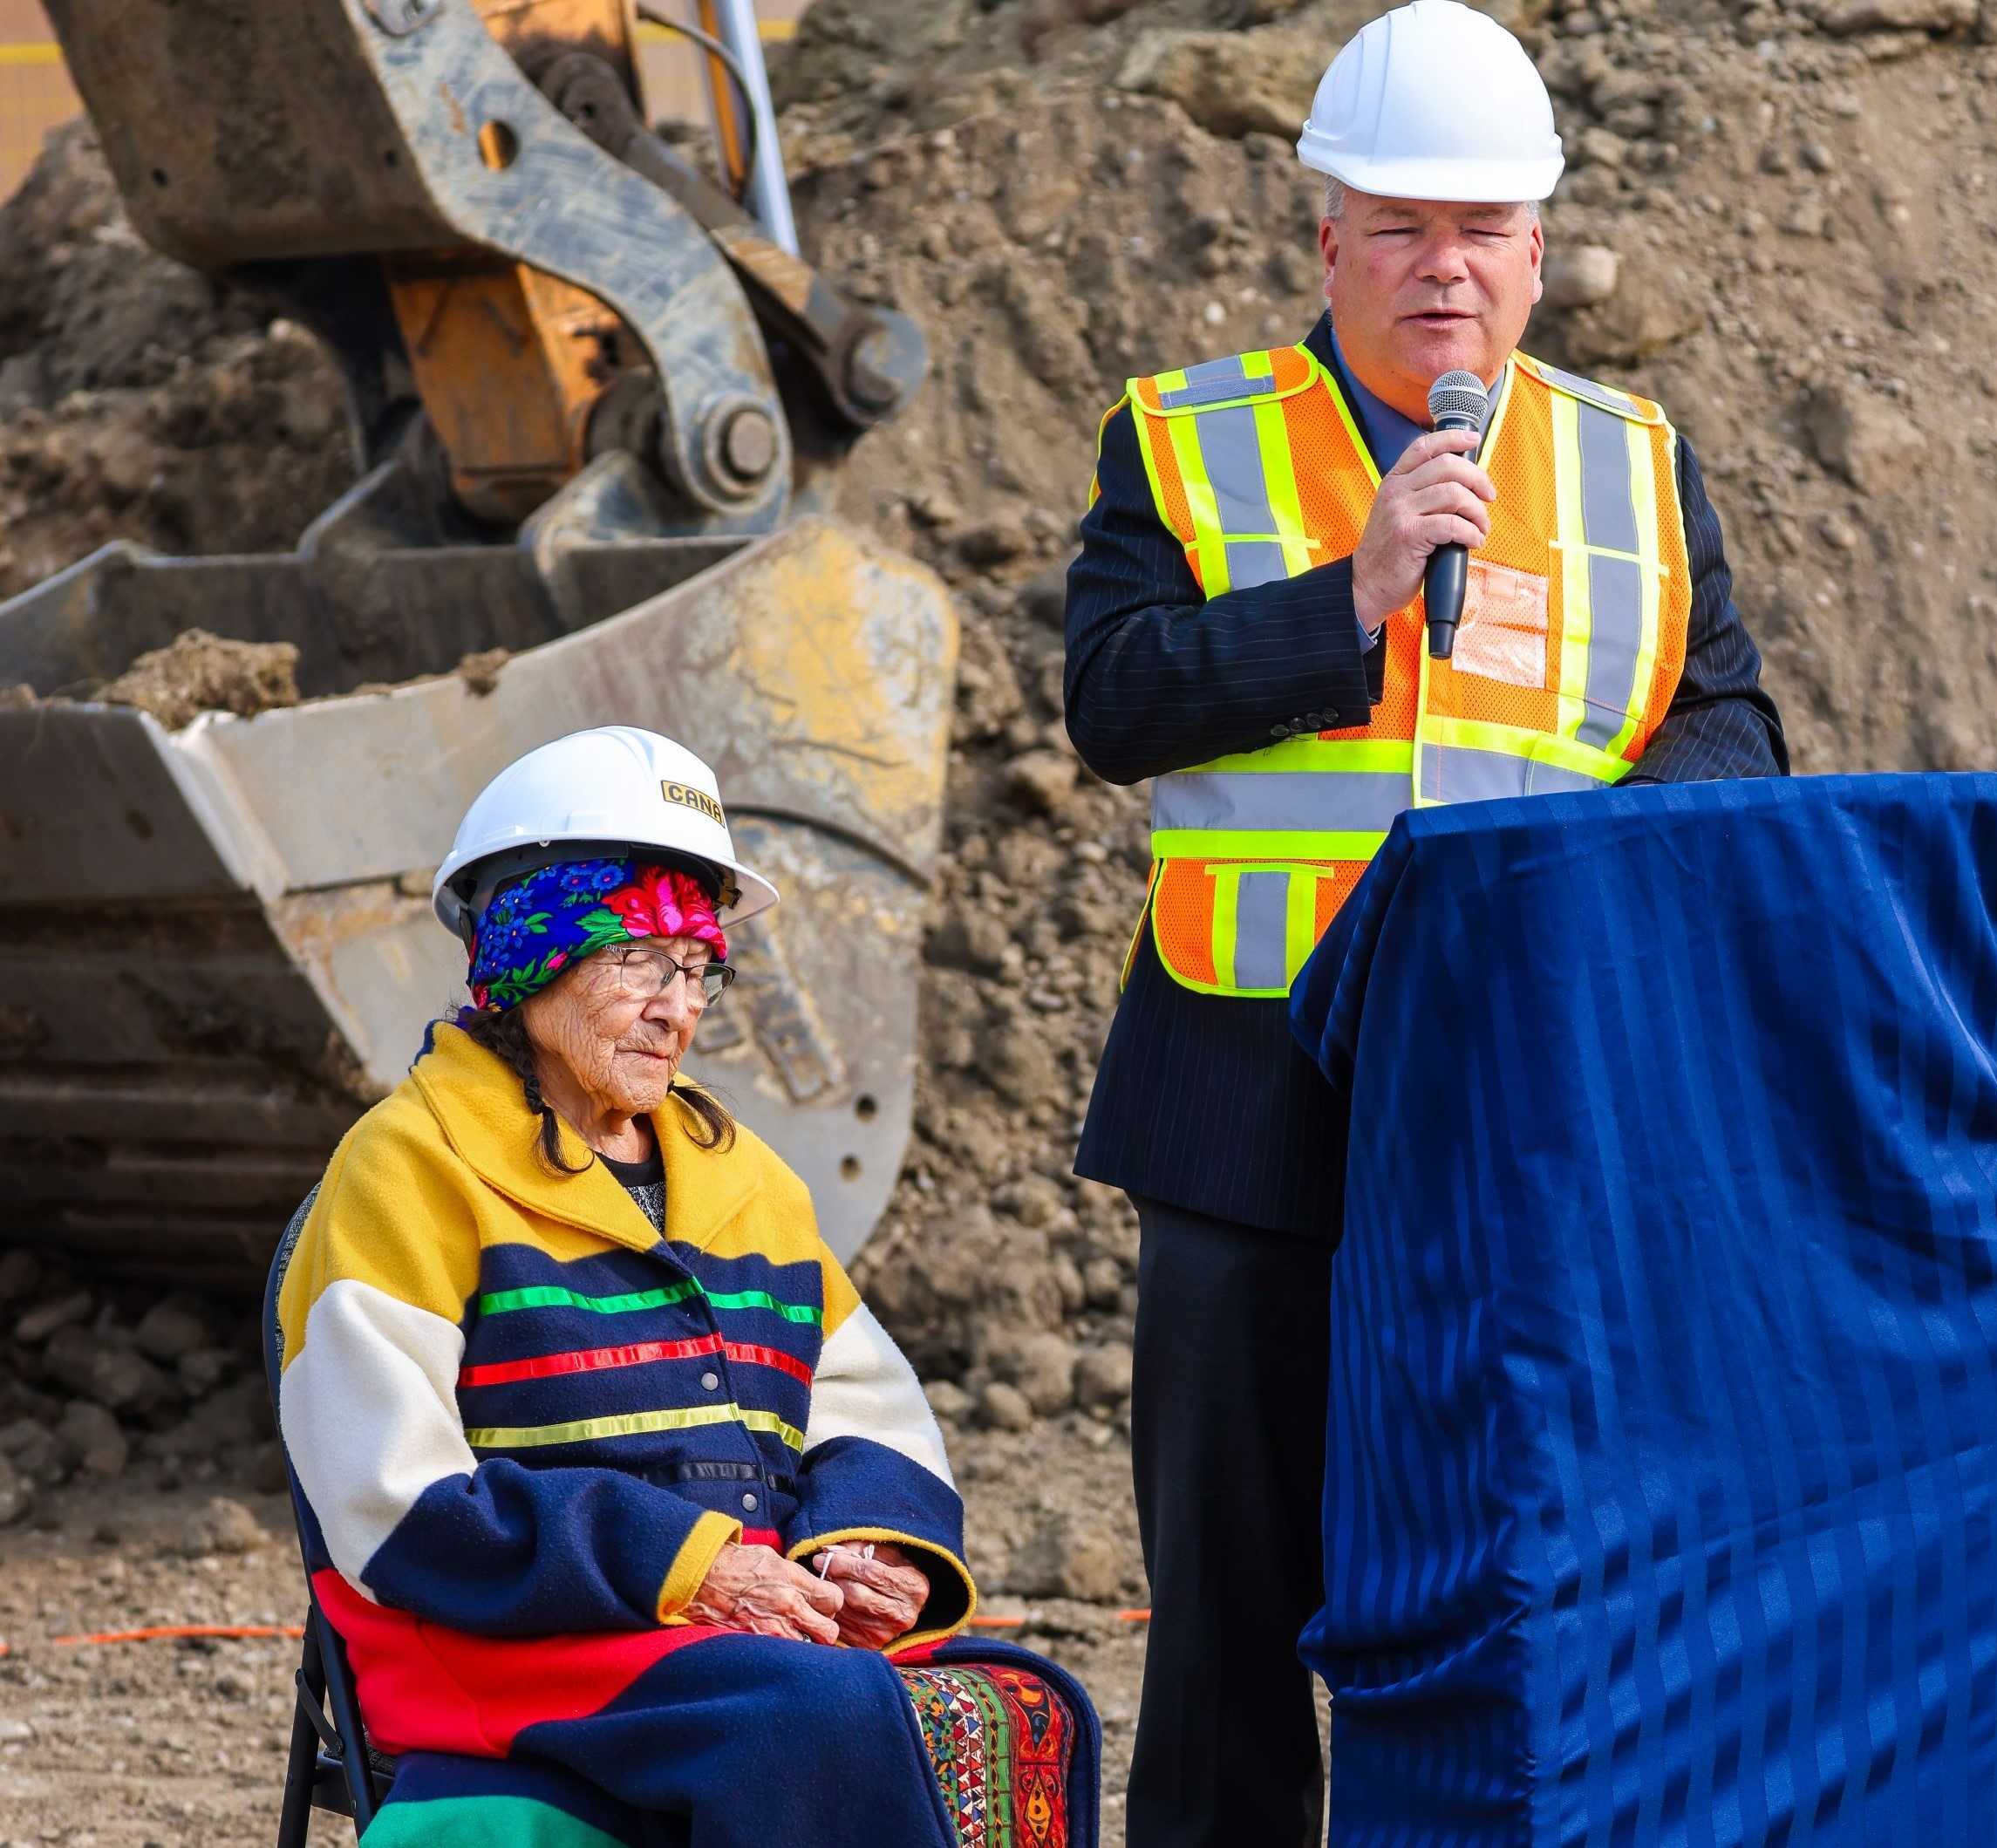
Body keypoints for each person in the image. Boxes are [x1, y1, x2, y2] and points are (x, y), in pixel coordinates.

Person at [1062, 4, 1790, 1843]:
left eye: (1479, 230)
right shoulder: (1186, 441)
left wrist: (1605, 866)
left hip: (1522, 1130)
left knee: (1524, 1589)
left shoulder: (1630, 465)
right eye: (1397, 227)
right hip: (1246, 1122)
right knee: (1230, 1619)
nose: (1440, 268)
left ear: (1535, 252)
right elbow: (1111, 700)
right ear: (1326, 241)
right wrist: (1354, 590)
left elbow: (1729, 724)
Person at [272, 725, 1092, 1848]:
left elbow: (862, 1406)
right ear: (527, 957)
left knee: (1029, 1704)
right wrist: (691, 1567)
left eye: (700, 964)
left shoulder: (736, 1171)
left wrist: (867, 1545)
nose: (679, 1006)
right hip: (508, 1640)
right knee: (814, 1712)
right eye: (637, 961)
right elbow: (392, 1499)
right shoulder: (407, 1162)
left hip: (718, 1632)